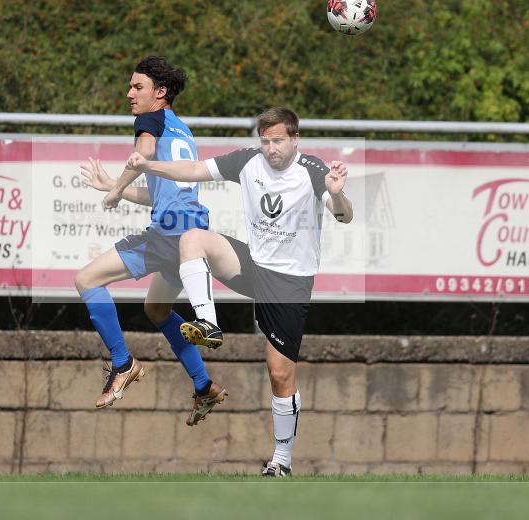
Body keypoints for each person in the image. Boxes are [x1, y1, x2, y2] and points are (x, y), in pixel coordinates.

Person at [125, 107, 353, 477]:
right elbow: (194, 170)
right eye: (265, 141)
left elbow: (344, 215)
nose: (271, 148)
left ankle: (282, 461)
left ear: (295, 139)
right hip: (252, 265)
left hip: (289, 283)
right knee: (192, 239)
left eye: (278, 140)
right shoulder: (248, 161)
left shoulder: (312, 170)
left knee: (279, 374)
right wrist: (149, 166)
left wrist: (338, 196)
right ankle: (208, 323)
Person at [73, 55, 226, 426]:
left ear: (160, 92)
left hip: (169, 236)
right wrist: (115, 186)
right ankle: (203, 386)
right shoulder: (181, 129)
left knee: (87, 280)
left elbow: (141, 154)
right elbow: (161, 192)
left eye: (137, 86)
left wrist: (115, 191)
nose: (129, 94)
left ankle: (123, 364)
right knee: (156, 310)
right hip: (191, 235)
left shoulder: (150, 119)